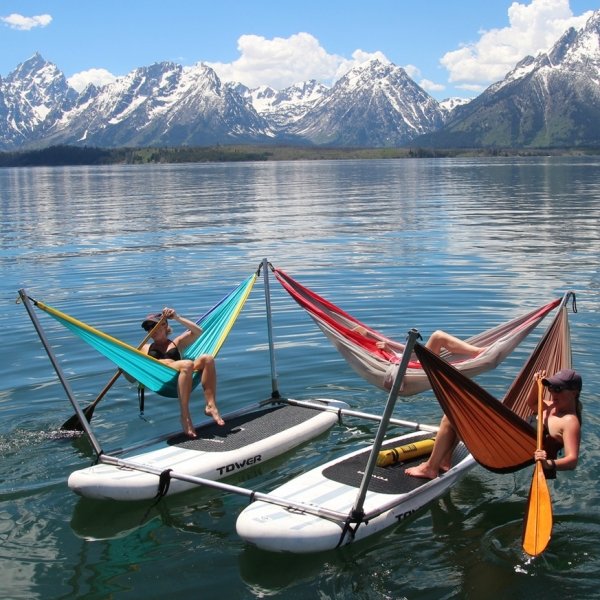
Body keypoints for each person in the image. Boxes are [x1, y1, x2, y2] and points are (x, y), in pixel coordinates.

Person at [404, 368, 582, 479]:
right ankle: (444, 461)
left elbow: (572, 460)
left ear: (574, 393)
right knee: (457, 416)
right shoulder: (551, 406)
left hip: (508, 453)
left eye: (558, 389)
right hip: (508, 442)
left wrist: (549, 464)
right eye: (550, 387)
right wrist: (537, 384)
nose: (552, 392)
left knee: (450, 417)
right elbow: (532, 404)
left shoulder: (569, 422)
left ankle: (430, 468)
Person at [141, 307, 224, 439]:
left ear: (164, 324)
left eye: (154, 325)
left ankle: (210, 405)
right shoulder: (145, 348)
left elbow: (198, 331)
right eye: (148, 328)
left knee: (208, 359)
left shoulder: (177, 342)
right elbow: (132, 371)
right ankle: (185, 416)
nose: (151, 330)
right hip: (163, 378)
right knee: (187, 363)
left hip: (181, 378)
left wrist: (176, 317)